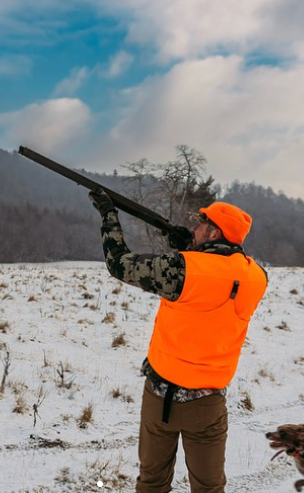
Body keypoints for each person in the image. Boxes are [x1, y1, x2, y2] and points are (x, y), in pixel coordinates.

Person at [89, 189, 267, 493]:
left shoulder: (182, 269)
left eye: (200, 224)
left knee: (153, 485)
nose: (195, 228)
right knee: (209, 489)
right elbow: (218, 273)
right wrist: (193, 246)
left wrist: (108, 215)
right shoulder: (257, 277)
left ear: (213, 231)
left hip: (161, 397)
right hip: (209, 406)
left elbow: (119, 263)